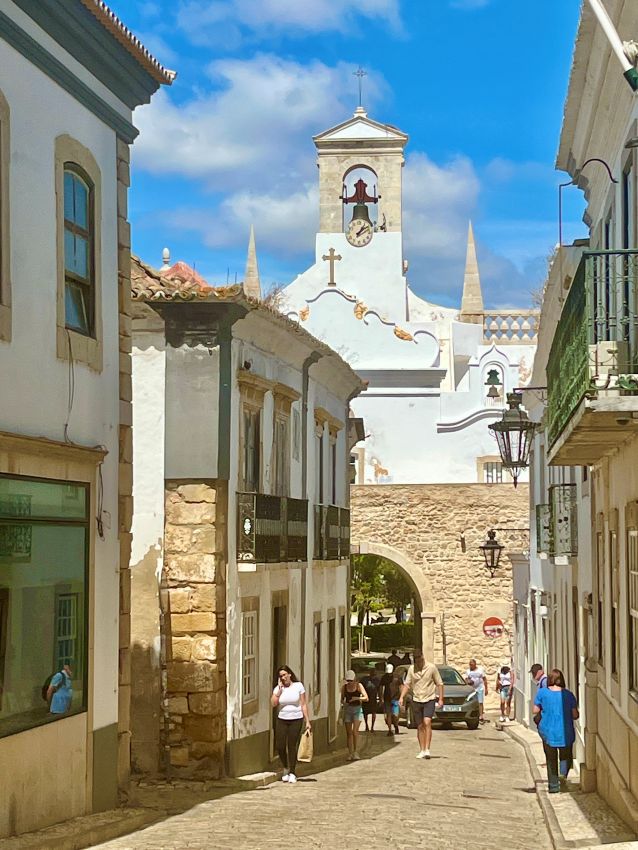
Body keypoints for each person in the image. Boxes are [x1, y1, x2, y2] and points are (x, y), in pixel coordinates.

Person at [533, 668, 579, 793]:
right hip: (565, 732)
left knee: (551, 758)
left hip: (547, 731)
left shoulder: (542, 693)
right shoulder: (568, 695)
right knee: (565, 756)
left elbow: (535, 710)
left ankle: (553, 786)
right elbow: (575, 715)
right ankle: (563, 777)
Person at [399, 649, 443, 760]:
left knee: (427, 722)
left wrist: (441, 699)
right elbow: (407, 684)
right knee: (419, 725)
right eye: (417, 661)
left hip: (429, 698)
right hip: (416, 699)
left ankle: (427, 749)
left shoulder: (431, 667)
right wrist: (401, 697)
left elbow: (439, 683)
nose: (419, 663)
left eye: (420, 660)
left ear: (423, 658)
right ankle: (422, 749)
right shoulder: (411, 669)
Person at [271, 665, 311, 784]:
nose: (283, 678)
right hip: (282, 718)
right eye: (280, 676)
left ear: (289, 674)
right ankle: (285, 767)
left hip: (296, 718)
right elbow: (273, 704)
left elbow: (303, 704)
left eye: (284, 675)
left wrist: (307, 720)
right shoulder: (278, 689)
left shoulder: (298, 686)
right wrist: (279, 690)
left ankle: (293, 772)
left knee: (292, 745)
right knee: (280, 745)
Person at [342, 670, 368, 759]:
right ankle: (350, 753)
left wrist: (357, 698)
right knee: (349, 733)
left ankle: (356, 752)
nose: (349, 683)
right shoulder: (344, 687)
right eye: (348, 681)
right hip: (348, 710)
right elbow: (342, 699)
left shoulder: (358, 686)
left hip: (357, 709)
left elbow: (366, 698)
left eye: (351, 681)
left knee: (355, 731)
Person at [378, 663, 402, 736]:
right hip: (387, 699)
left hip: (396, 698)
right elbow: (381, 687)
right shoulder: (384, 677)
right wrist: (380, 698)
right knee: (388, 715)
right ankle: (389, 730)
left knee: (395, 715)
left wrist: (401, 697)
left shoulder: (397, 677)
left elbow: (401, 686)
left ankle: (396, 725)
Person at [361, 667, 380, 732]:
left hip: (373, 699)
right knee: (365, 713)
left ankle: (372, 727)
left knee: (373, 713)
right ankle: (366, 725)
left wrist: (380, 698)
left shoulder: (377, 680)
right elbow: (360, 687)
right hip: (366, 699)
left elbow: (379, 690)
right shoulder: (364, 679)